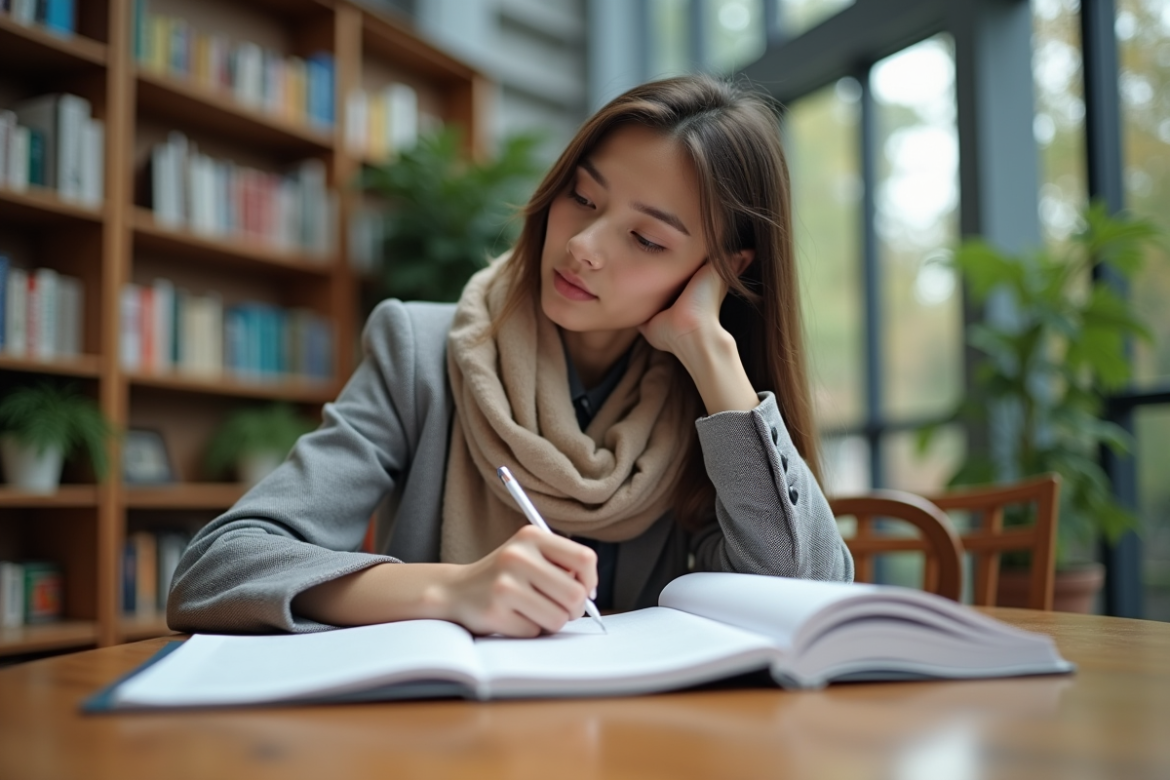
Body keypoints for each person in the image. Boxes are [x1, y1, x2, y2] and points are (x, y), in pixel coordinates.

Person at [168, 74, 854, 638]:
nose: (583, 245)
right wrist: (450, 590)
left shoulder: (703, 413)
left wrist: (713, 356)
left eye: (647, 239)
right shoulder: (418, 351)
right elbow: (219, 568)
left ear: (722, 268)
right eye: (582, 197)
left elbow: (804, 597)